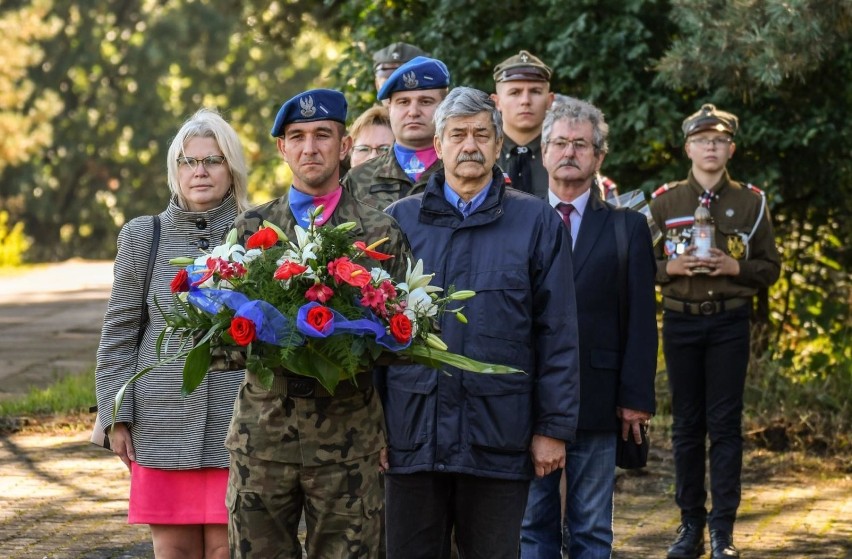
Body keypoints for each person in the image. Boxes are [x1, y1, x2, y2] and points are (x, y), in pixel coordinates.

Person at [381, 86, 580, 559]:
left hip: (498, 435)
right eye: (457, 135)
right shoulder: (398, 222)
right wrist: (375, 428)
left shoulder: (536, 222)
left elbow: (558, 334)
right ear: (438, 144)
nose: (469, 145)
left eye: (480, 134)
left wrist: (552, 428)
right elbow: (374, 335)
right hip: (413, 436)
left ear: (497, 145)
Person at [224, 88, 411, 559]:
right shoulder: (251, 232)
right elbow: (225, 342)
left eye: (323, 135)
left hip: (349, 440)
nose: (311, 147)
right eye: (298, 136)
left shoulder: (379, 233)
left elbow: (405, 341)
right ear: (282, 149)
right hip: (263, 436)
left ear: (345, 146)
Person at [94, 108, 251, 559]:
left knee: (228, 550)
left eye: (213, 160)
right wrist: (115, 416)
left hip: (237, 424)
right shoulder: (145, 234)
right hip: (161, 423)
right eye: (188, 161)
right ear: (175, 170)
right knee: (174, 552)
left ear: (232, 168)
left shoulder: (259, 231)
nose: (199, 171)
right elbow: (120, 332)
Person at [519, 98, 658, 558]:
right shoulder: (518, 221)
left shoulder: (628, 227)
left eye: (580, 144)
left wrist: (636, 398)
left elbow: (641, 320)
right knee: (532, 526)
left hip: (599, 400)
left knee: (592, 528)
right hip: (530, 400)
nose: (569, 152)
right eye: (559, 142)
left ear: (599, 156)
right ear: (543, 152)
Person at [649, 104, 781, 559]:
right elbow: (638, 263)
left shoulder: (751, 202)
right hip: (682, 319)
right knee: (686, 427)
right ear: (688, 147)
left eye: (719, 140)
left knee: (725, 427)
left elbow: (771, 268)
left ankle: (723, 530)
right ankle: (690, 527)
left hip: (728, 321)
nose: (711, 147)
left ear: (731, 148)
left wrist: (736, 266)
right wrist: (669, 266)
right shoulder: (664, 202)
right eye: (702, 140)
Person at [343, 56, 450, 210]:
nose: (413, 112)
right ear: (389, 108)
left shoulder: (464, 171)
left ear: (444, 108)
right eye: (403, 102)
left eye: (425, 102)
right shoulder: (357, 180)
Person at [491, 49, 554, 198]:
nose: (525, 101)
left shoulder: (564, 156)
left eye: (535, 92)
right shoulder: (482, 154)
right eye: (515, 92)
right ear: (496, 102)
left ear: (550, 101)